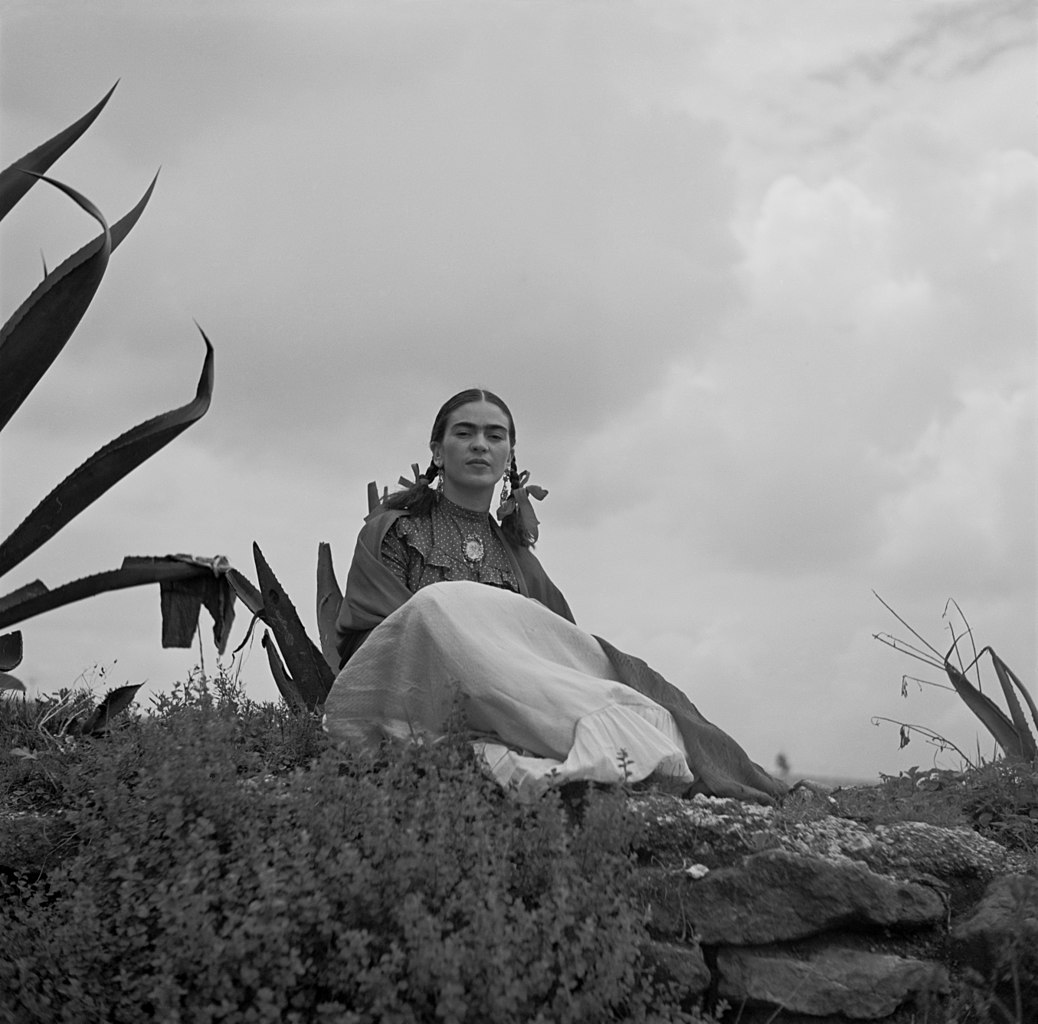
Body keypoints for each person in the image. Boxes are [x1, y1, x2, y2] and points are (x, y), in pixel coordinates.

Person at [324, 388, 787, 804]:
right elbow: (377, 644)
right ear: (437, 452)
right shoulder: (395, 532)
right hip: (419, 696)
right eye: (465, 433)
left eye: (495, 435)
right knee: (435, 607)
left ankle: (598, 732)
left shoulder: (520, 560)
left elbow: (554, 653)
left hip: (510, 701)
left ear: (509, 455)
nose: (480, 444)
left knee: (642, 710)